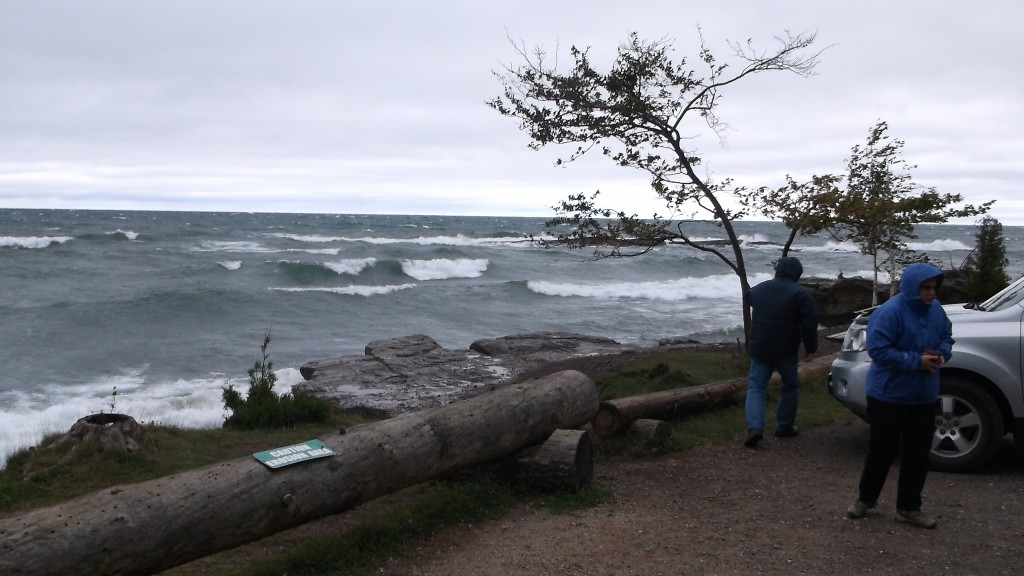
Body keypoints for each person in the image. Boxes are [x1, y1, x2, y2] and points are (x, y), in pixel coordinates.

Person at [847, 262, 953, 529]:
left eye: (933, 288)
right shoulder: (889, 312)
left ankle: (909, 507)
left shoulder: (937, 311)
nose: (931, 293)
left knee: (918, 455)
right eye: (925, 288)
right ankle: (866, 500)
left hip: (924, 396)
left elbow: (947, 338)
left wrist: (941, 354)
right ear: (912, 287)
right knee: (882, 452)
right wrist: (915, 361)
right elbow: (878, 351)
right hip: (888, 395)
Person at [744, 256, 820, 448]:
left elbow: (748, 297)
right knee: (790, 386)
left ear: (777, 271)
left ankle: (755, 427)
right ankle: (784, 427)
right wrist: (811, 348)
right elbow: (809, 324)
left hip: (760, 346)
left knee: (756, 387)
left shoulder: (760, 289)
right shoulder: (801, 294)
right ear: (797, 274)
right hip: (785, 350)